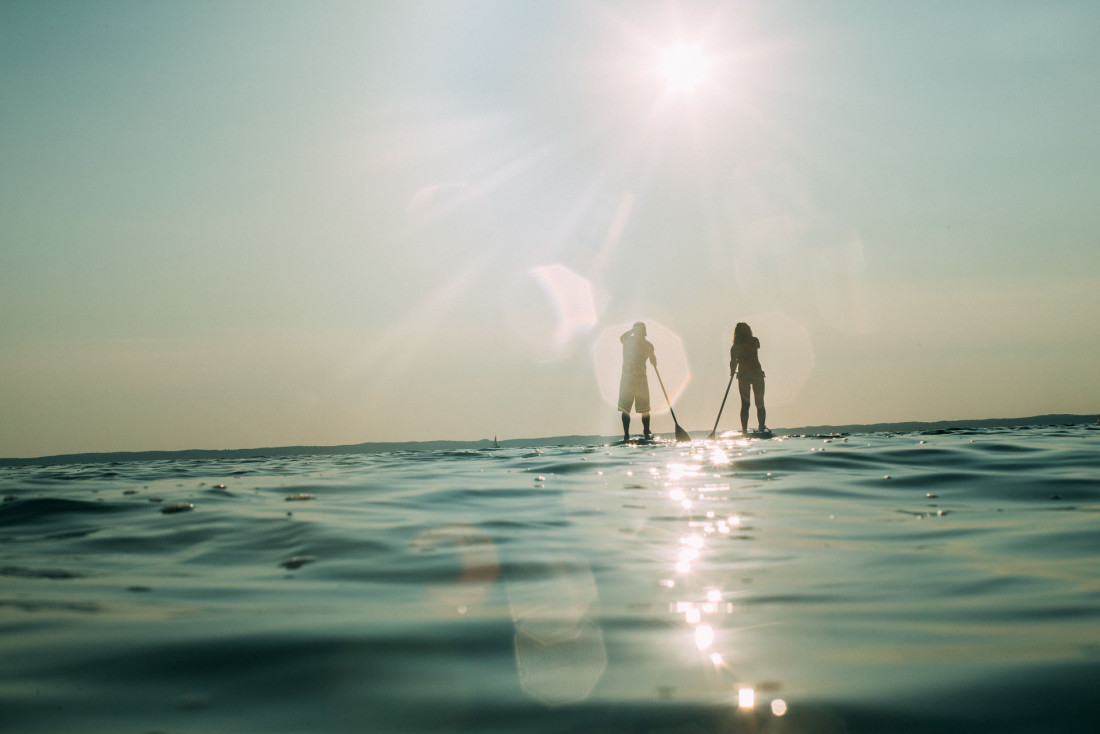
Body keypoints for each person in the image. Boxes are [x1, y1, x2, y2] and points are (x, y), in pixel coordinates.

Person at [619, 321, 657, 440]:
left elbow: (653, 359)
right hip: (630, 380)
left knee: (643, 409)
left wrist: (653, 360)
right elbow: (622, 337)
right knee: (627, 409)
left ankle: (644, 432)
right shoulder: (630, 341)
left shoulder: (646, 345)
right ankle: (629, 434)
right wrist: (634, 330)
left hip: (636, 380)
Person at [729, 322, 766, 434]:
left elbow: (733, 362)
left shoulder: (735, 347)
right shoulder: (754, 341)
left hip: (744, 376)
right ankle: (761, 427)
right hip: (757, 375)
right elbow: (757, 347)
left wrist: (732, 371)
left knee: (745, 405)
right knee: (760, 403)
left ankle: (744, 430)